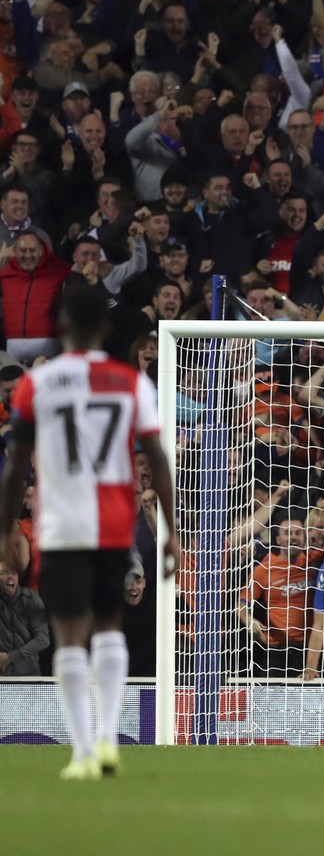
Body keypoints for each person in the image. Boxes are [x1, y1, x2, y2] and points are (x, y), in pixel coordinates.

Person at [0, 287, 183, 780]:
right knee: (108, 626)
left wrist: (3, 531)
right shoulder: (128, 382)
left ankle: (82, 751)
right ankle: (106, 742)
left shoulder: (37, 384)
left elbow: (17, 466)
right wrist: (170, 529)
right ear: (104, 331)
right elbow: (158, 457)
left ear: (60, 328)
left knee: (69, 634)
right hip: (113, 524)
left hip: (60, 525)